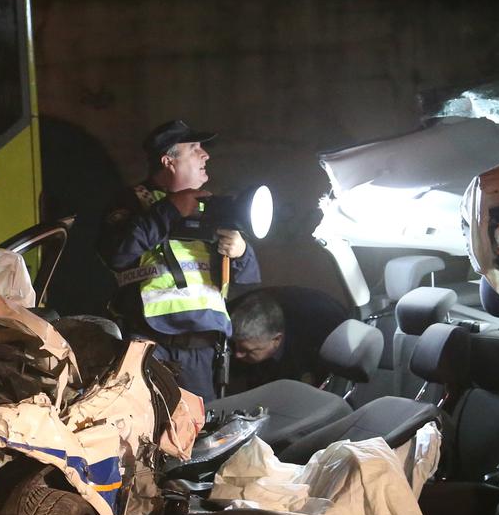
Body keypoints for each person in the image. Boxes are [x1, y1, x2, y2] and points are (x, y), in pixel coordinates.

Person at [97, 118, 259, 401]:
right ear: (168, 161)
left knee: (200, 433)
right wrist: (169, 210)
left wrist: (241, 251)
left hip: (204, 347)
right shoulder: (133, 202)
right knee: (148, 430)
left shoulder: (212, 207)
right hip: (152, 342)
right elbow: (117, 253)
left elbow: (247, 278)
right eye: (194, 148)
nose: (205, 155)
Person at [227, 286, 351, 393]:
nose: (237, 354)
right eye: (236, 346)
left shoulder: (311, 352)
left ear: (276, 340)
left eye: (247, 351)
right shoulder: (232, 343)